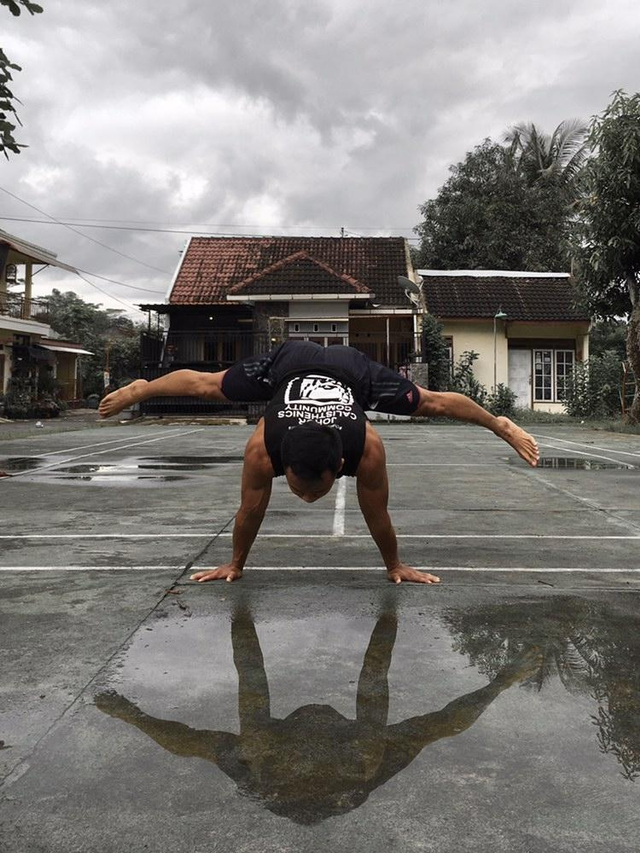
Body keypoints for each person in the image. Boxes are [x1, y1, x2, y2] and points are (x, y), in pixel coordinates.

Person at [99, 341, 539, 584]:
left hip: (352, 371)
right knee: (207, 387)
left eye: (315, 490)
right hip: (289, 364)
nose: (308, 497)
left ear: (342, 465)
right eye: (300, 488)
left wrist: (395, 566)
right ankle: (142, 386)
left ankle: (499, 423)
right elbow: (250, 510)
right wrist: (235, 564)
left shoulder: (366, 447)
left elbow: (377, 512)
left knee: (433, 404)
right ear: (279, 463)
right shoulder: (260, 449)